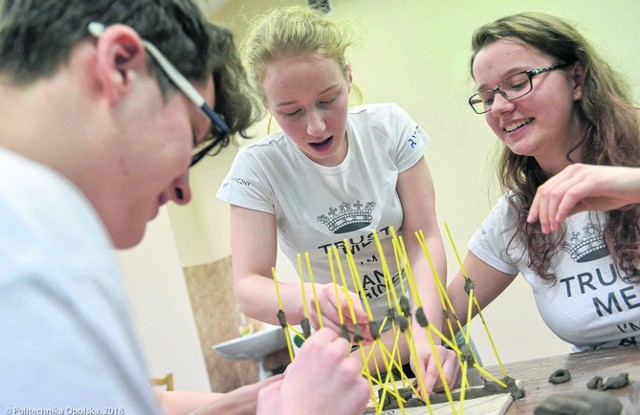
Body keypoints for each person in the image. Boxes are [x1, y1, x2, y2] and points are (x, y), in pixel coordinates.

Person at [0, 1, 369, 414]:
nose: (182, 192)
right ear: (120, 65)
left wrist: (238, 406)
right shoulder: (29, 246)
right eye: (195, 136)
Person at [216, 5, 460, 396]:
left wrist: (424, 331)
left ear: (348, 76)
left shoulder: (389, 128)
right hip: (343, 360)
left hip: (423, 330)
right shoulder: (258, 168)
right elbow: (248, 285)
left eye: (328, 100)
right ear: (268, 104)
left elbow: (423, 237)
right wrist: (310, 297)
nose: (315, 126)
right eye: (290, 112)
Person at [447, 12, 640, 353]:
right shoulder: (517, 214)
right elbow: (438, 320)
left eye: (519, 82)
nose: (500, 108)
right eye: (488, 98)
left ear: (576, 79)